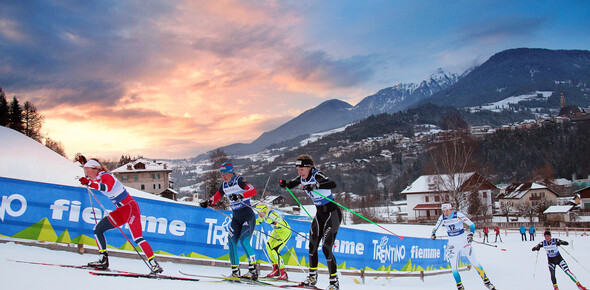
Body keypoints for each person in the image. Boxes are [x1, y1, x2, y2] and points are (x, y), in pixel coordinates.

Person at [78, 159, 163, 273]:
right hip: (122, 211)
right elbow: (94, 177)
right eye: (85, 171)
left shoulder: (107, 176)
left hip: (130, 208)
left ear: (95, 169)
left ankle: (154, 264)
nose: (86, 174)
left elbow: (106, 188)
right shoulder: (98, 175)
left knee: (137, 238)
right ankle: (103, 260)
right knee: (98, 229)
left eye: (87, 171)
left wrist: (88, 183)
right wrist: (84, 163)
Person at [279, 154, 341, 290]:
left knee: (326, 248)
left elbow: (332, 183)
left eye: (301, 169)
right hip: (319, 215)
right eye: (298, 170)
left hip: (332, 214)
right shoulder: (302, 178)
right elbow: (291, 184)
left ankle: (334, 282)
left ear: (309, 167)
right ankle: (312, 278)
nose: (299, 172)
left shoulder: (317, 175)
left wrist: (315, 185)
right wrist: (285, 184)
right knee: (312, 246)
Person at [200, 162, 259, 280]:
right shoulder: (224, 185)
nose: (223, 176)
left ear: (231, 172)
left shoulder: (239, 180)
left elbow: (253, 191)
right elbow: (217, 196)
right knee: (231, 242)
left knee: (245, 241)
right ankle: (235, 271)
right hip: (236, 217)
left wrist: (240, 196)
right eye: (221, 173)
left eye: (224, 173)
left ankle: (253, 271)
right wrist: (208, 202)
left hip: (247, 215)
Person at [431, 203, 496, 290]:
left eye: (447, 211)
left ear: (451, 209)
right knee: (454, 267)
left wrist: (471, 234)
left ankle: (487, 282)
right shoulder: (442, 217)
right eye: (444, 211)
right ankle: (460, 286)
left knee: (475, 262)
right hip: (452, 245)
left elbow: (472, 225)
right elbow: (436, 227)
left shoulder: (458, 215)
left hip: (464, 242)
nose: (446, 213)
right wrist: (433, 233)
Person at [255, 203, 292, 280]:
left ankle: (283, 272)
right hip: (276, 231)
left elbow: (281, 224)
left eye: (260, 212)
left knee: (275, 250)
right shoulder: (262, 214)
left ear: (264, 210)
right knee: (268, 247)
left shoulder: (271, 214)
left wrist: (273, 222)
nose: (259, 214)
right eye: (257, 212)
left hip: (285, 231)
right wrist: (249, 222)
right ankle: (276, 269)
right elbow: (258, 221)